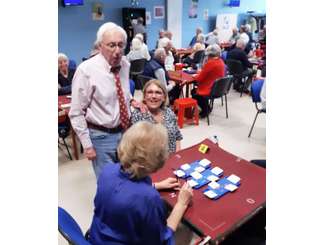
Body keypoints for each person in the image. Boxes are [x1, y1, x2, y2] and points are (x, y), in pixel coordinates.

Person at [89, 121, 193, 245]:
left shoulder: (108, 170)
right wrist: (181, 204)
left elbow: (122, 192)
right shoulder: (149, 198)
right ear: (158, 159)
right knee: (187, 230)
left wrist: (156, 185)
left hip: (97, 237)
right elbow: (160, 240)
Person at [69, 22, 145, 179]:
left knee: (128, 175)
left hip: (125, 131)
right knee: (108, 183)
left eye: (120, 45)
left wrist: (130, 100)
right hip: (101, 136)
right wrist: (87, 145)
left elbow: (121, 90)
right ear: (100, 46)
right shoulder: (86, 70)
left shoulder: (125, 63)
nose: (117, 51)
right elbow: (76, 112)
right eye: (111, 45)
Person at [131, 79, 183, 153]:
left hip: (172, 159)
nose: (154, 96)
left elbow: (177, 136)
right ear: (145, 96)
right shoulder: (138, 115)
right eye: (150, 92)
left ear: (164, 97)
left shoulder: (169, 112)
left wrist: (177, 155)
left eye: (158, 93)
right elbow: (135, 147)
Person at [191, 44, 225, 118]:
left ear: (209, 54)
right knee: (196, 91)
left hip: (210, 89)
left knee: (194, 92)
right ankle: (207, 108)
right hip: (219, 89)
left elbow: (199, 78)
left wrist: (194, 76)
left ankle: (205, 110)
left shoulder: (210, 63)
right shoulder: (221, 61)